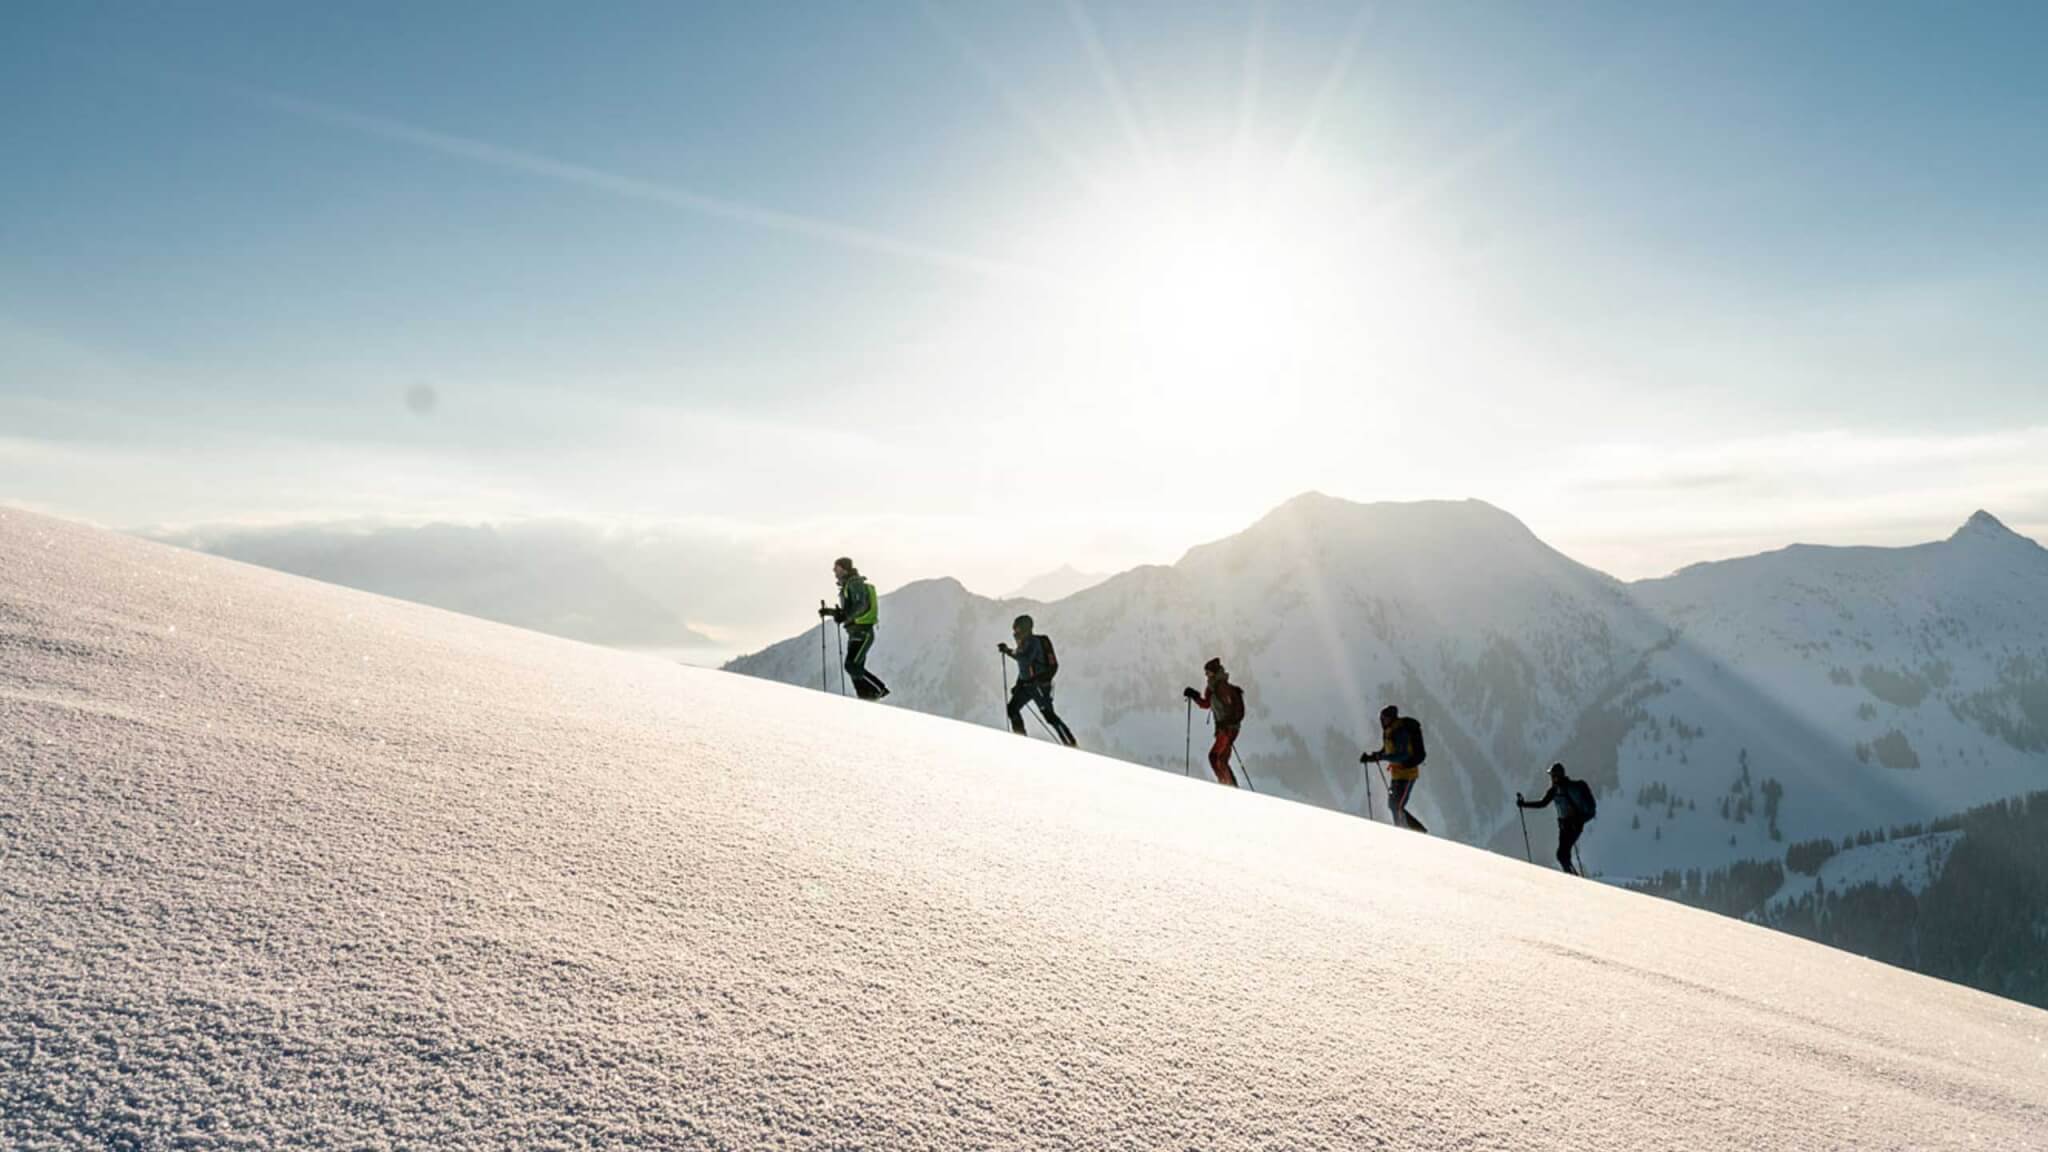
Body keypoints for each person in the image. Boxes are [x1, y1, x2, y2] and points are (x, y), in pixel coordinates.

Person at [998, 614, 1076, 746]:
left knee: (1049, 716)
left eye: (1016, 629)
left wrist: (1008, 651)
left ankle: (1071, 745)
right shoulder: (1026, 643)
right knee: (1012, 709)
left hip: (1039, 687)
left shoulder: (1032, 643)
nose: (1014, 633)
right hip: (1029, 686)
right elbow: (1025, 667)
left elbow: (1025, 659)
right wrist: (1019, 684)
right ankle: (1021, 741)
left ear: (1024, 629)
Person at [818, 557, 888, 701]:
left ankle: (879, 689)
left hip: (863, 632)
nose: (834, 572)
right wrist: (830, 612)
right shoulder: (847, 585)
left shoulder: (854, 583)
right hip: (855, 631)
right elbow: (848, 611)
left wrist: (843, 615)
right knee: (854, 669)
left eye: (836, 569)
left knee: (851, 666)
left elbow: (860, 605)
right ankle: (866, 697)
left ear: (844, 568)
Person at [1361, 704, 1429, 833]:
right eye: (1382, 718)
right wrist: (1373, 757)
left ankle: (1406, 832)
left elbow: (1402, 755)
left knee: (1396, 806)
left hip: (1408, 774)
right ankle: (1413, 830)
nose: (1382, 720)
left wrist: (1381, 758)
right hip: (1397, 774)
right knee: (1393, 805)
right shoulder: (1390, 730)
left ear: (1391, 718)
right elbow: (1387, 750)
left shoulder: (1399, 732)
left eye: (1384, 718)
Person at [1518, 762, 1595, 875]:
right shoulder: (1557, 789)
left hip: (1571, 826)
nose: (1551, 778)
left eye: (1552, 776)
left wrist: (1523, 804)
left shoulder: (1559, 789)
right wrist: (1524, 804)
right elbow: (1543, 803)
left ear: (1557, 776)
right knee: (1563, 854)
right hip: (1569, 826)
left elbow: (1542, 803)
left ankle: (1572, 878)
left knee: (1562, 854)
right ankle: (1572, 877)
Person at [1183, 657, 1245, 787]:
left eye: (1208, 672)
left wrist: (1225, 724)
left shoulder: (1221, 686)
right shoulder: (1212, 687)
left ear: (1214, 672)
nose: (1206, 675)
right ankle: (1232, 787)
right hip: (1227, 728)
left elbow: (1229, 708)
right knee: (1221, 759)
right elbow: (1206, 704)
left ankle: (1225, 785)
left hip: (1227, 729)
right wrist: (1194, 695)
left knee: (1214, 757)